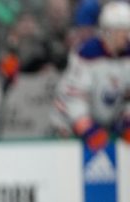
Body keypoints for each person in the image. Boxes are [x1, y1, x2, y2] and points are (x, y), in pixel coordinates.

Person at [50, 1, 130, 151]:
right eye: (124, 31)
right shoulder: (86, 54)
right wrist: (87, 127)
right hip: (70, 127)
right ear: (110, 31)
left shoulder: (127, 56)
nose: (127, 37)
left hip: (105, 124)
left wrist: (126, 120)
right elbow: (73, 97)